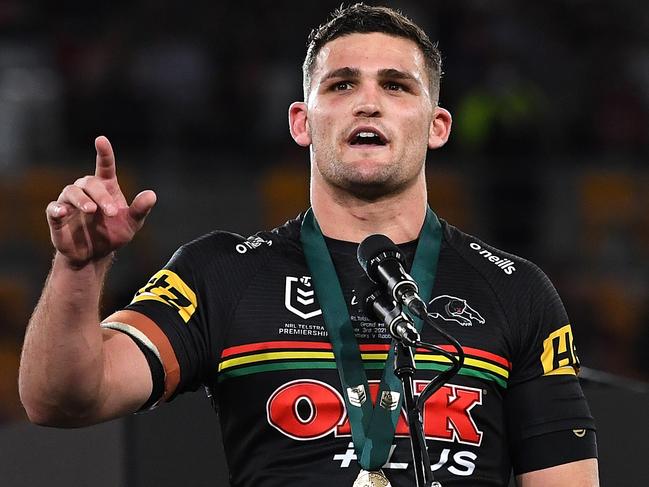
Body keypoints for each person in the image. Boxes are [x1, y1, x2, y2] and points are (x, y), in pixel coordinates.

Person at [19, 4, 599, 486]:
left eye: (396, 86)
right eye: (342, 84)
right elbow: (62, 399)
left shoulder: (515, 290)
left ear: (437, 126)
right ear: (301, 122)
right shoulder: (220, 273)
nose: (368, 102)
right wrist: (78, 267)